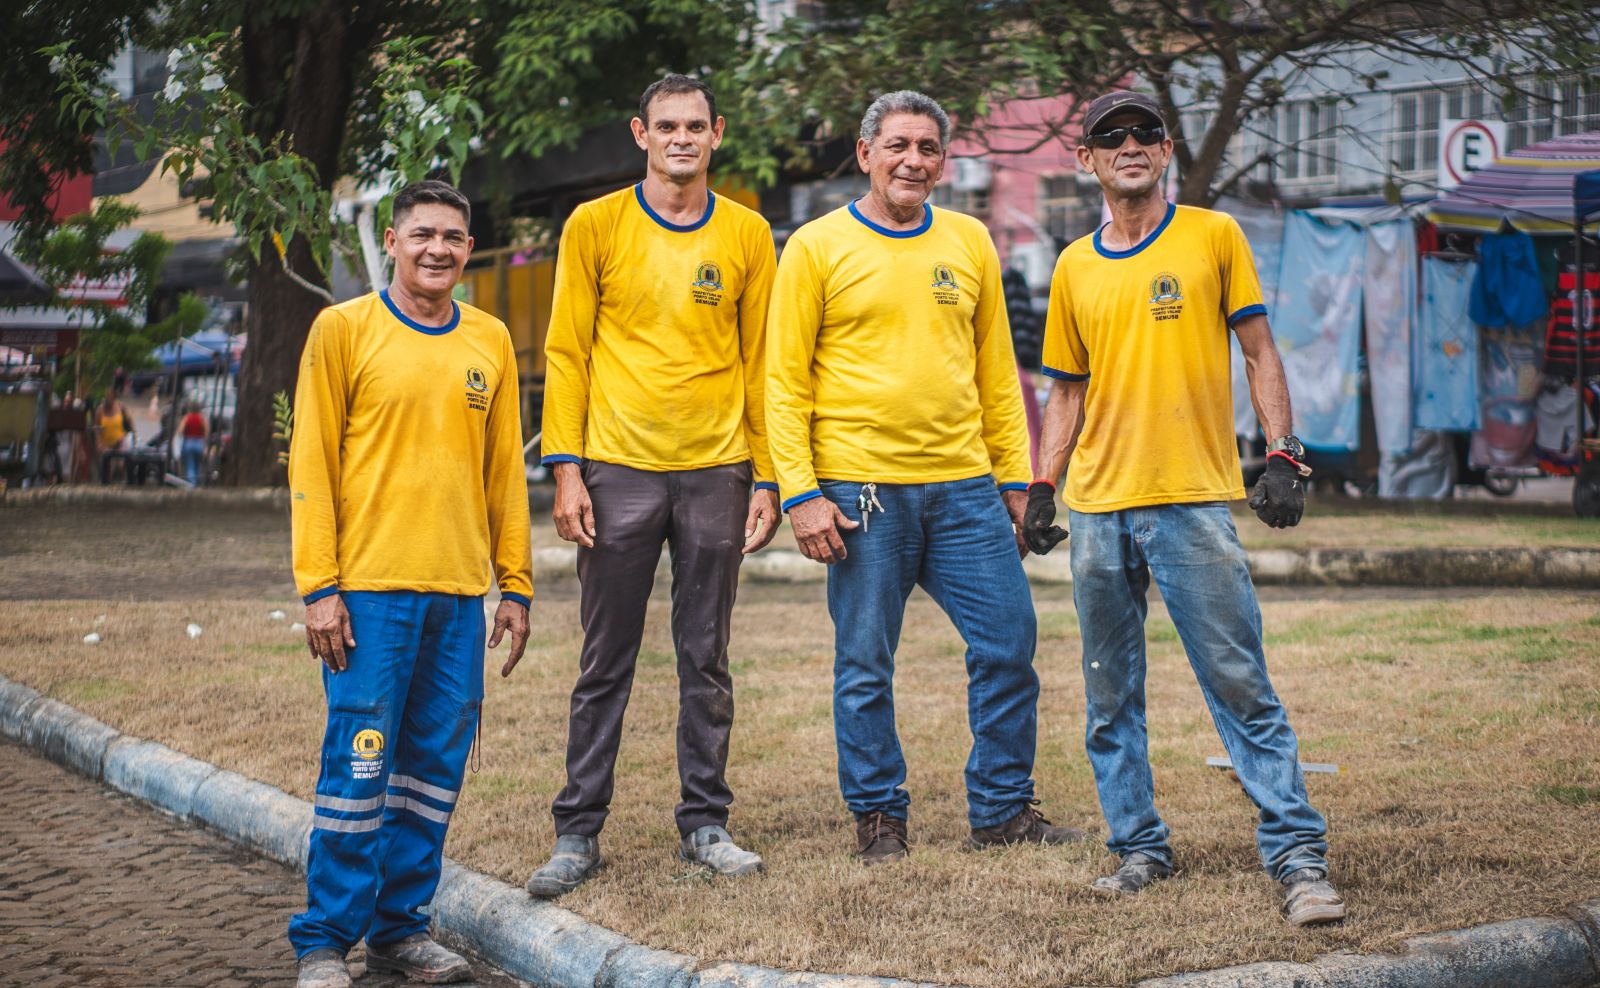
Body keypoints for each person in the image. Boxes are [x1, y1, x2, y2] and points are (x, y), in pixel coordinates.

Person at [1024, 90, 1345, 926]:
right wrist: (1042, 486)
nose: (1129, 144)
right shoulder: (1074, 265)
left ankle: (1298, 856)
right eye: (1110, 135)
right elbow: (1066, 391)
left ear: (1166, 150)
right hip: (1098, 511)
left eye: (1145, 133)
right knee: (1109, 695)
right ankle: (1138, 847)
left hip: (1193, 504)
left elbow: (1259, 352)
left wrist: (1284, 452)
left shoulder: (1214, 235)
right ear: (1087, 159)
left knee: (1240, 684)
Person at [766, 90, 1083, 865]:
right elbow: (783, 381)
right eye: (898, 145)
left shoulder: (970, 240)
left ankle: (1002, 808)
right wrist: (801, 493)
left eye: (929, 148)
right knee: (866, 661)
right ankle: (879, 815)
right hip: (861, 492)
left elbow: (997, 376)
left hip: (966, 489)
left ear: (944, 161)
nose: (914, 161)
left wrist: (1018, 483)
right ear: (866, 152)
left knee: (1009, 641)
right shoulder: (815, 246)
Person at [526, 74, 778, 897]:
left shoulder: (747, 233)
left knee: (707, 655)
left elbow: (762, 362)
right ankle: (577, 831)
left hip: (717, 468)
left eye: (694, 126)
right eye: (666, 125)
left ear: (716, 133)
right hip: (617, 467)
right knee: (605, 657)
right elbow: (567, 352)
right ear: (641, 133)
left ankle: (706, 822)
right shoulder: (595, 224)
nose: (681, 138)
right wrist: (567, 470)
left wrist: (769, 477)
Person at [286, 179, 534, 988]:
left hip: (458, 596)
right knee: (359, 765)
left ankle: (400, 928)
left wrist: (515, 584)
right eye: (422, 233)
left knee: (431, 769)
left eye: (453, 237)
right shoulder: (343, 329)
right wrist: (319, 586)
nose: (438, 249)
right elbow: (311, 462)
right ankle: (326, 940)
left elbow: (504, 473)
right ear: (391, 241)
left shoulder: (490, 339)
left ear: (469, 249)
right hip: (366, 596)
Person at [178, 400, 207, 486]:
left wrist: (183, 435)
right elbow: (206, 430)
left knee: (190, 464)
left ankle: (192, 483)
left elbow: (180, 430)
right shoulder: (202, 418)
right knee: (197, 464)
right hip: (199, 442)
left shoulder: (187, 417)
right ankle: (196, 481)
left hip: (189, 442)